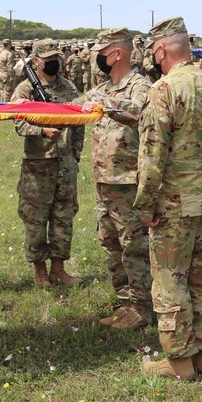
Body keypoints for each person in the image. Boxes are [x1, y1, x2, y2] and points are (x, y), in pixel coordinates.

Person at [135, 16, 202, 380]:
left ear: (161, 49)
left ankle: (178, 363)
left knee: (170, 280)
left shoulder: (163, 90)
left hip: (175, 205)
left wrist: (145, 203)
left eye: (152, 51)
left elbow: (152, 156)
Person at [76, 28, 152, 329]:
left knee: (133, 246)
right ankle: (125, 303)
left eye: (101, 51)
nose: (97, 57)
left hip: (128, 182)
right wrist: (13, 108)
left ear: (116, 53)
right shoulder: (101, 88)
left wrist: (107, 106)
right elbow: (70, 108)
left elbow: (141, 112)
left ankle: (142, 307)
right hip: (104, 181)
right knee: (110, 244)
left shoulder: (140, 87)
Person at [11, 39, 85, 287]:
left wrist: (75, 156)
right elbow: (18, 121)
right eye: (48, 58)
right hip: (37, 163)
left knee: (64, 216)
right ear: (36, 61)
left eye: (57, 57)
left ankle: (59, 270)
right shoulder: (24, 90)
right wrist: (41, 131)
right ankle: (40, 272)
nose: (55, 62)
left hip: (64, 163)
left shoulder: (68, 88)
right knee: (35, 218)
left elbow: (78, 125)